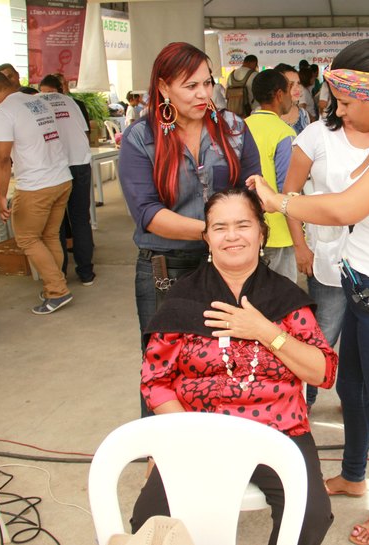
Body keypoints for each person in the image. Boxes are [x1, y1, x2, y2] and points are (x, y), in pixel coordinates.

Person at [249, 36, 369, 544]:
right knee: (351, 390)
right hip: (363, 291)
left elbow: (346, 208)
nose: (339, 112)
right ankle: (353, 475)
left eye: (347, 103)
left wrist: (278, 202)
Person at [132, 188, 337, 545]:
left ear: (261, 233)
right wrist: (182, 435)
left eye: (243, 225)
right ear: (207, 237)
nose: (231, 236)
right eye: (220, 227)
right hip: (198, 431)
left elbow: (322, 372)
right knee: (149, 520)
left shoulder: (285, 298)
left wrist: (265, 331)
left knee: (311, 515)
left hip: (279, 431)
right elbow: (155, 381)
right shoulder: (183, 297)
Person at [118, 42, 262, 414]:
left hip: (227, 266)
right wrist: (213, 233)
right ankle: (159, 456)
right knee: (162, 364)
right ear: (164, 87)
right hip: (165, 269)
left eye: (207, 83)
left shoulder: (232, 128)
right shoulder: (141, 138)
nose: (204, 94)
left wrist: (249, 219)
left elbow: (251, 187)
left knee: (223, 359)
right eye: (191, 86)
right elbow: (147, 213)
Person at [283, 89, 369, 409]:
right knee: (320, 336)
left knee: (365, 340)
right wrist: (300, 245)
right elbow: (290, 196)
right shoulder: (316, 135)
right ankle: (300, 405)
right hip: (326, 254)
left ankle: (356, 403)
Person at [0, 68, 73, 314]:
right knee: (49, 236)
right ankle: (55, 285)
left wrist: (0, 197)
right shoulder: (37, 101)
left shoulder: (2, 111)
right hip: (61, 178)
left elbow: (1, 159)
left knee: (27, 238)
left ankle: (58, 290)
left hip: (36, 184)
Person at [38, 74, 96, 286]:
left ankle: (60, 273)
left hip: (56, 167)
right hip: (80, 162)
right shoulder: (72, 103)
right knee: (81, 219)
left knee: (57, 224)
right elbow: (84, 132)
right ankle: (86, 273)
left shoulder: (38, 104)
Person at [244, 69, 297, 282]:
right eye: (289, 90)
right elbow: (288, 190)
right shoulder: (284, 133)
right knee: (282, 303)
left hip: (247, 228)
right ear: (278, 95)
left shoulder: (241, 126)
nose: (292, 97)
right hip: (278, 232)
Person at [275, 63, 310, 135]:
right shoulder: (264, 115)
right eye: (291, 84)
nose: (297, 88)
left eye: (298, 83)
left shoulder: (303, 114)